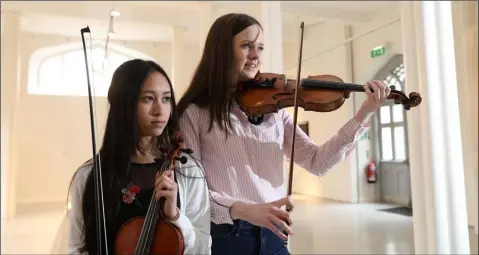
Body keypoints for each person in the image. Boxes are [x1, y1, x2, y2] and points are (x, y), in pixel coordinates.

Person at [176, 13, 391, 255]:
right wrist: (244, 209)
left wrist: (365, 112)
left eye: (260, 47)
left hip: (275, 234)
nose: (256, 56)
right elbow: (193, 192)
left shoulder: (274, 111)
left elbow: (317, 162)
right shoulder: (194, 113)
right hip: (228, 237)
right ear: (222, 51)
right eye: (246, 46)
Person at [67, 59, 211, 254]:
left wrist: (176, 216)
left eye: (166, 99)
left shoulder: (187, 170)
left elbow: (203, 249)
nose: (160, 110)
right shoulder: (89, 176)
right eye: (148, 99)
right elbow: (77, 248)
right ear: (124, 104)